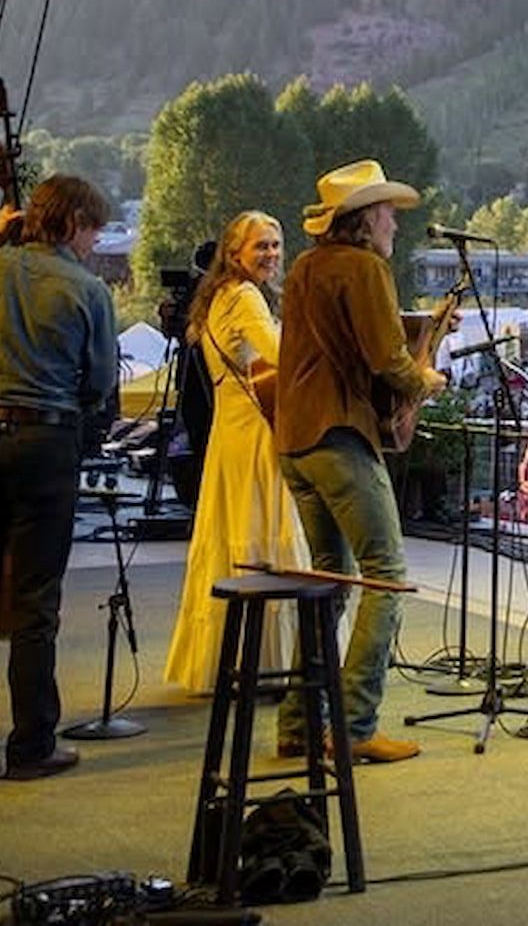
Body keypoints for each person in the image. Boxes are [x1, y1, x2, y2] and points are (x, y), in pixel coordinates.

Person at [0, 174, 119, 784]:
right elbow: (99, 384)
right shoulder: (87, 289)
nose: (94, 242)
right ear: (72, 223)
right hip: (45, 441)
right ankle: (32, 745)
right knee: (37, 601)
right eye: (93, 230)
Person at [273, 160, 442, 766]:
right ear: (366, 218)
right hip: (339, 436)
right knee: (384, 576)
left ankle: (299, 725)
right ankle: (356, 725)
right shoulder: (365, 267)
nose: (395, 222)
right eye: (389, 211)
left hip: (295, 439)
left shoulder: (306, 265)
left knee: (329, 578)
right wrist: (425, 380)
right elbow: (385, 358)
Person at [163, 211, 311, 694]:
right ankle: (273, 662)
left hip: (230, 434)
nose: (271, 254)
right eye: (260, 246)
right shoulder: (245, 296)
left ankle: (229, 661)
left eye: (275, 244)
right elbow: (281, 355)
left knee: (233, 539)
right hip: (255, 436)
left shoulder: (220, 296)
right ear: (234, 253)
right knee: (266, 537)